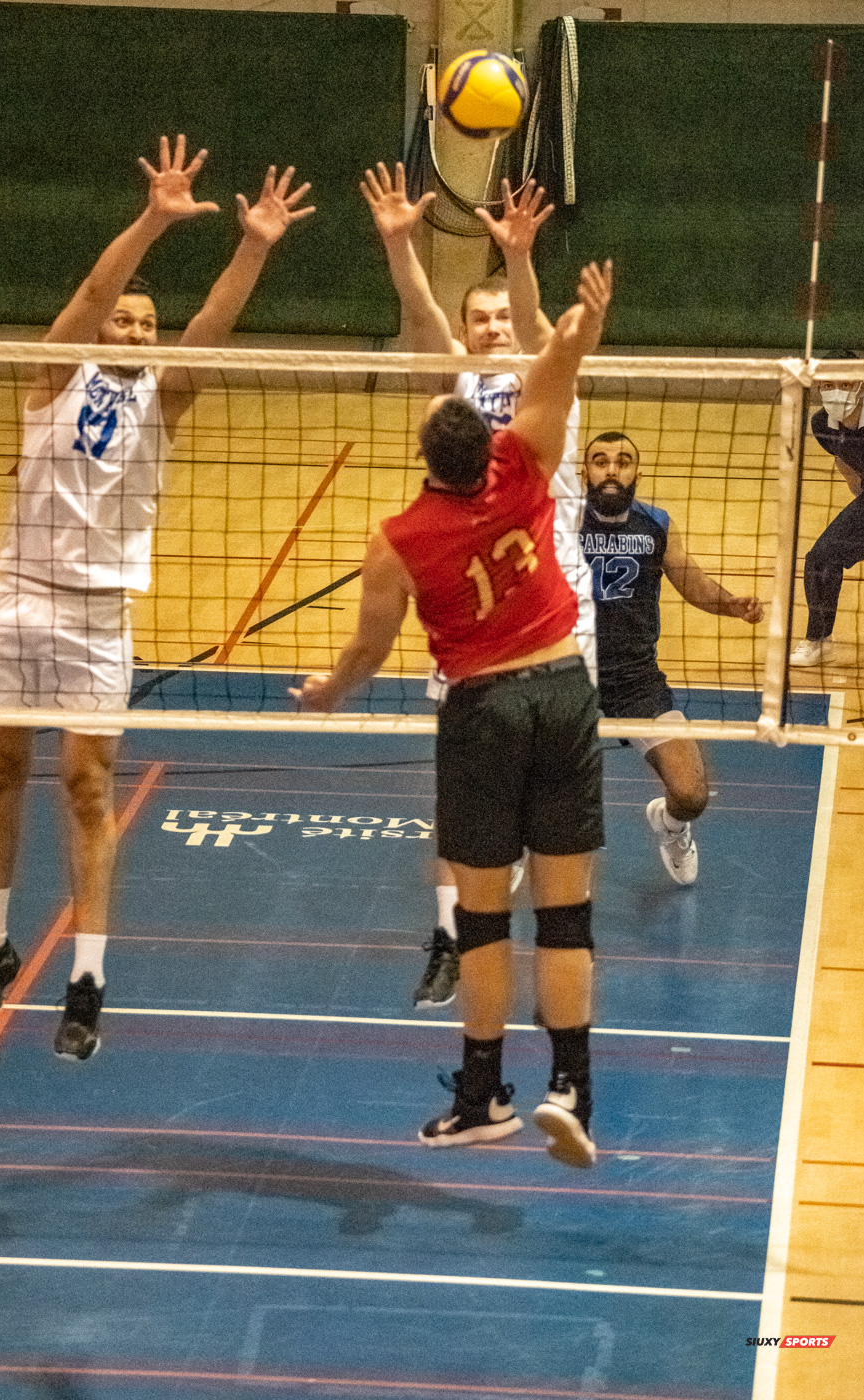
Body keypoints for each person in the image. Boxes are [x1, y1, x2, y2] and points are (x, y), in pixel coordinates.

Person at [0, 137, 314, 1059]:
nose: (135, 332)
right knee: (0, 767)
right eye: (124, 322)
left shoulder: (162, 401)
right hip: (14, 597)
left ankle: (86, 979)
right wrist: (155, 220)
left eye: (146, 324)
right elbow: (86, 297)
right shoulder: (54, 378)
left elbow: (211, 326)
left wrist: (253, 246)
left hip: (97, 616)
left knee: (86, 787)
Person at [292, 260, 613, 1169]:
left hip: (482, 714)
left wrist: (327, 692)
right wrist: (578, 325)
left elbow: (366, 649)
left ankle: (482, 1098)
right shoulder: (525, 464)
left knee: (480, 920)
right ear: (489, 441)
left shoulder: (397, 539)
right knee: (566, 916)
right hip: (563, 694)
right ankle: (573, 1089)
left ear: (425, 456)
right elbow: (554, 369)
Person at [360, 162, 596, 1005]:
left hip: (557, 607)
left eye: (500, 317)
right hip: (470, 609)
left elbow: (540, 330)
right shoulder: (454, 389)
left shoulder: (541, 377)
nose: (494, 328)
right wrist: (399, 246)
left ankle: (536, 934)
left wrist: (521, 257)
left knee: (545, 793)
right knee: (463, 787)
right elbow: (424, 320)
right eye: (482, 318)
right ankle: (450, 935)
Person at [580, 431, 764, 884]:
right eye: (600, 460)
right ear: (585, 471)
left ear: (636, 472)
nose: (611, 469)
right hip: (567, 674)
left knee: (692, 793)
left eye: (622, 461)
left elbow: (692, 583)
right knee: (528, 778)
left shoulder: (656, 523)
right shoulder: (559, 520)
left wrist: (730, 604)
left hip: (636, 679)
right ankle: (519, 850)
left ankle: (670, 824)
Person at [789, 372, 864, 666]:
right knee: (821, 558)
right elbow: (845, 462)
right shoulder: (822, 424)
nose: (836, 392)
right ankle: (819, 640)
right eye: (827, 385)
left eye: (845, 384)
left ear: (863, 386)